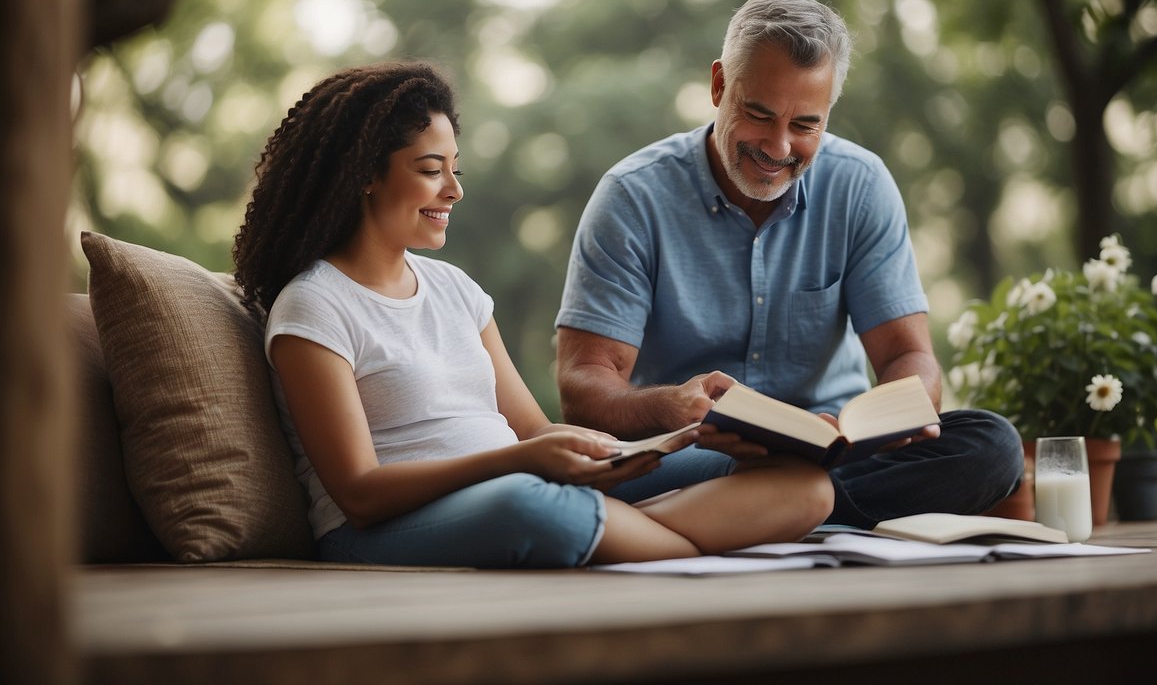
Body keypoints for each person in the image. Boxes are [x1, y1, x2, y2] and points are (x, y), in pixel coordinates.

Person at [231, 60, 833, 569]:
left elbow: (535, 431)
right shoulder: (314, 304)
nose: (453, 191)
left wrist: (638, 447)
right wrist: (520, 462)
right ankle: (647, 536)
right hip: (388, 528)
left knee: (793, 475)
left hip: (518, 488)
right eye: (430, 170)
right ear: (364, 174)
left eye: (454, 169)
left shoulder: (455, 290)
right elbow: (359, 494)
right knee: (530, 503)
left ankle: (613, 531)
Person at [556, 0, 1023, 528]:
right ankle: (794, 510)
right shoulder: (632, 197)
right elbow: (583, 385)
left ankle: (760, 516)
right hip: (696, 454)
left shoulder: (861, 185)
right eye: (759, 114)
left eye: (806, 125)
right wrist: (672, 408)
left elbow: (908, 356)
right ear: (718, 85)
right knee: (630, 468)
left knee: (993, 444)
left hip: (836, 453)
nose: (778, 148)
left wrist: (899, 411)